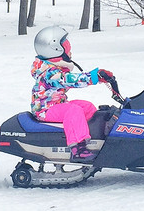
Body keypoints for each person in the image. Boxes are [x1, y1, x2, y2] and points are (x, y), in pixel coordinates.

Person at [31, 26, 114, 162]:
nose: (69, 49)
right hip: (45, 110)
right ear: (56, 48)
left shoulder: (53, 67)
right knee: (73, 110)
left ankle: (93, 139)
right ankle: (78, 148)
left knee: (87, 107)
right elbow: (68, 80)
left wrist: (100, 77)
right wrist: (93, 77)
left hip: (57, 105)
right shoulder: (48, 72)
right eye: (66, 45)